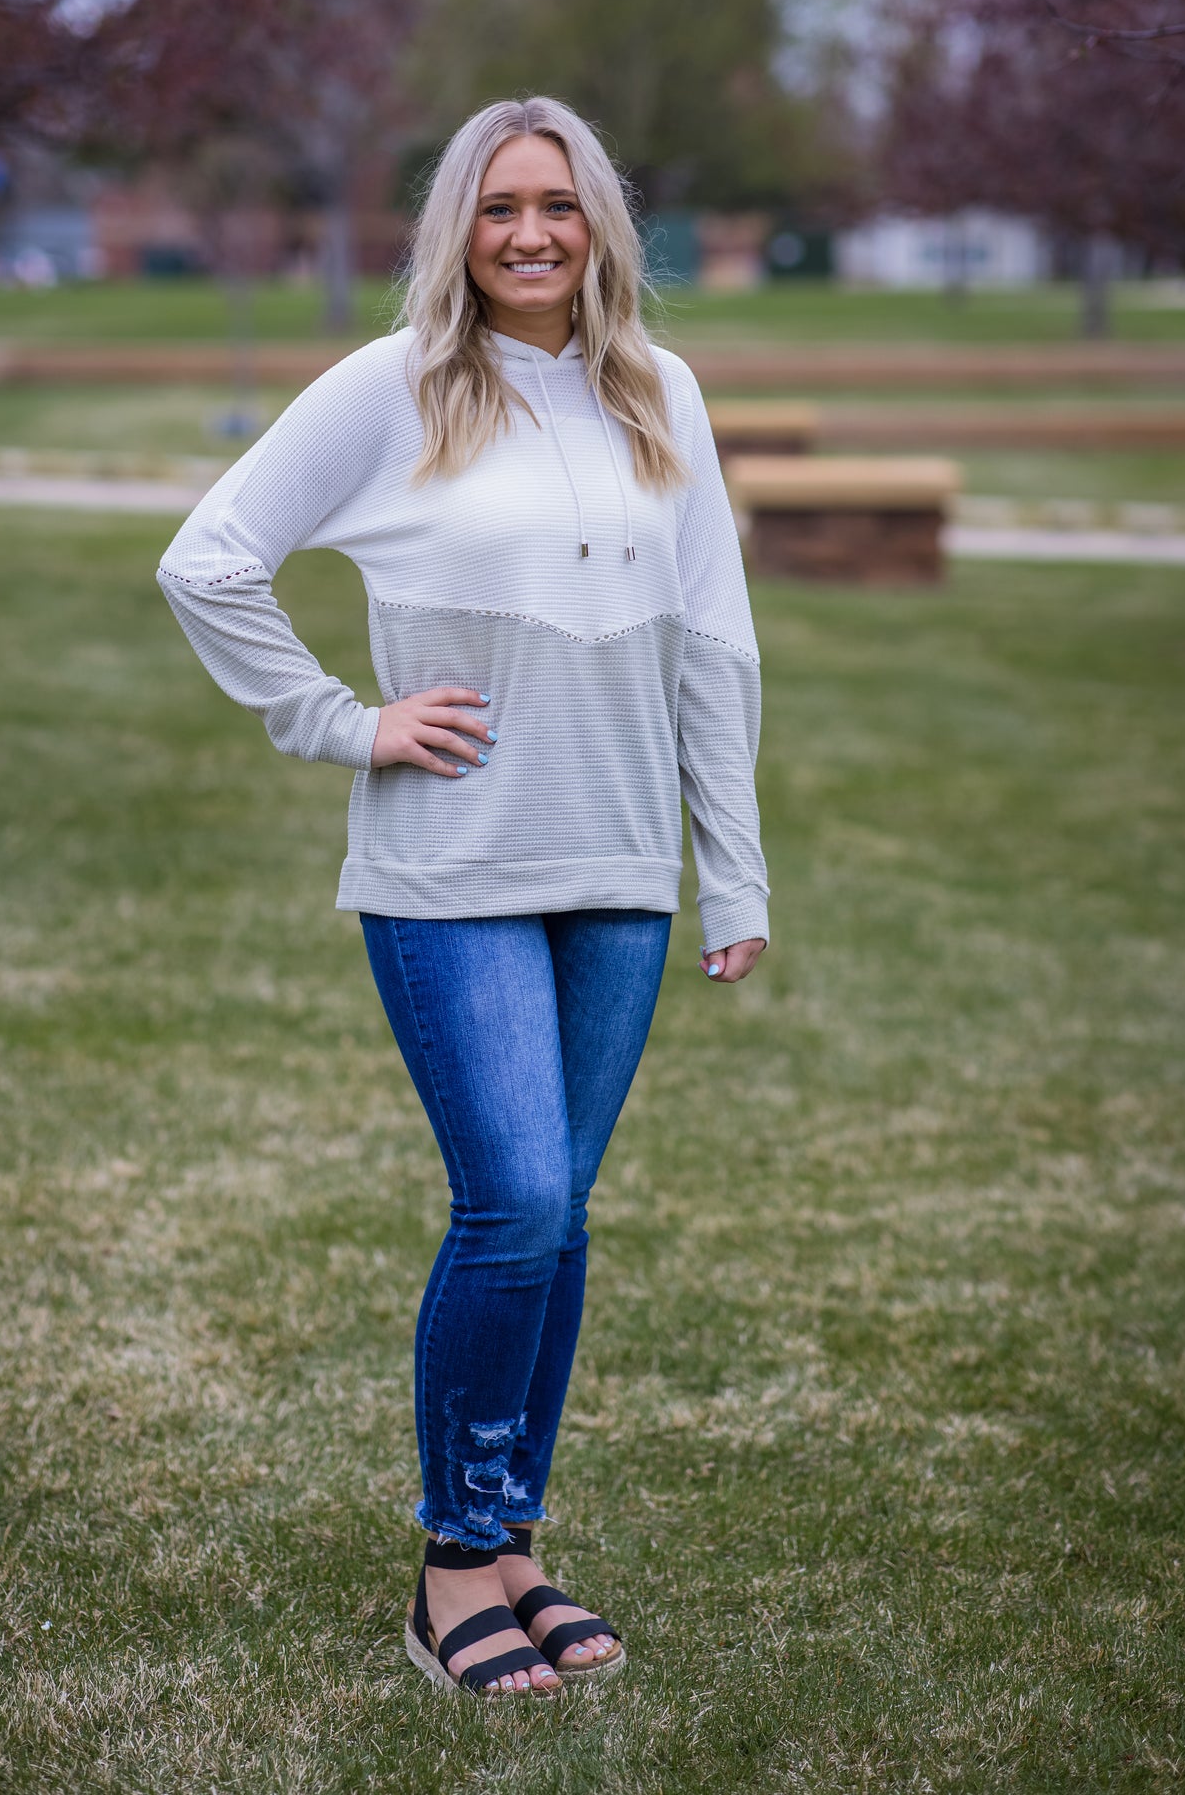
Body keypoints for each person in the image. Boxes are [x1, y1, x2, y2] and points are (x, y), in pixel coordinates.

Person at [156, 94, 769, 1701]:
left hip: (619, 869)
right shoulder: (397, 386)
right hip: (453, 870)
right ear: (459, 228)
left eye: (557, 205)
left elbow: (716, 642)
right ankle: (452, 1572)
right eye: (500, 207)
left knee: (561, 1220)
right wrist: (345, 723)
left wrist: (733, 869)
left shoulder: (662, 394)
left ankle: (514, 1546)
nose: (531, 234)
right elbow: (208, 559)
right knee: (512, 1202)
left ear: (599, 224)